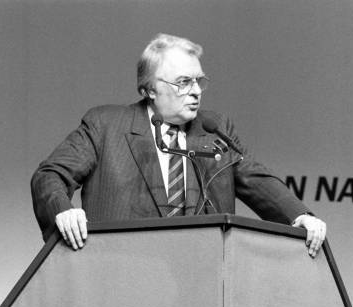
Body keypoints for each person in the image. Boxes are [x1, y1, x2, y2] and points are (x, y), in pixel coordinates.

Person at [31, 33, 326, 257]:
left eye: (199, 81)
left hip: (198, 279)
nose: (196, 91)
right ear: (149, 89)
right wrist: (62, 210)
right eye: (183, 82)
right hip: (119, 272)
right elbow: (50, 175)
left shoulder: (215, 130)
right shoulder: (106, 125)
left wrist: (299, 216)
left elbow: (255, 178)